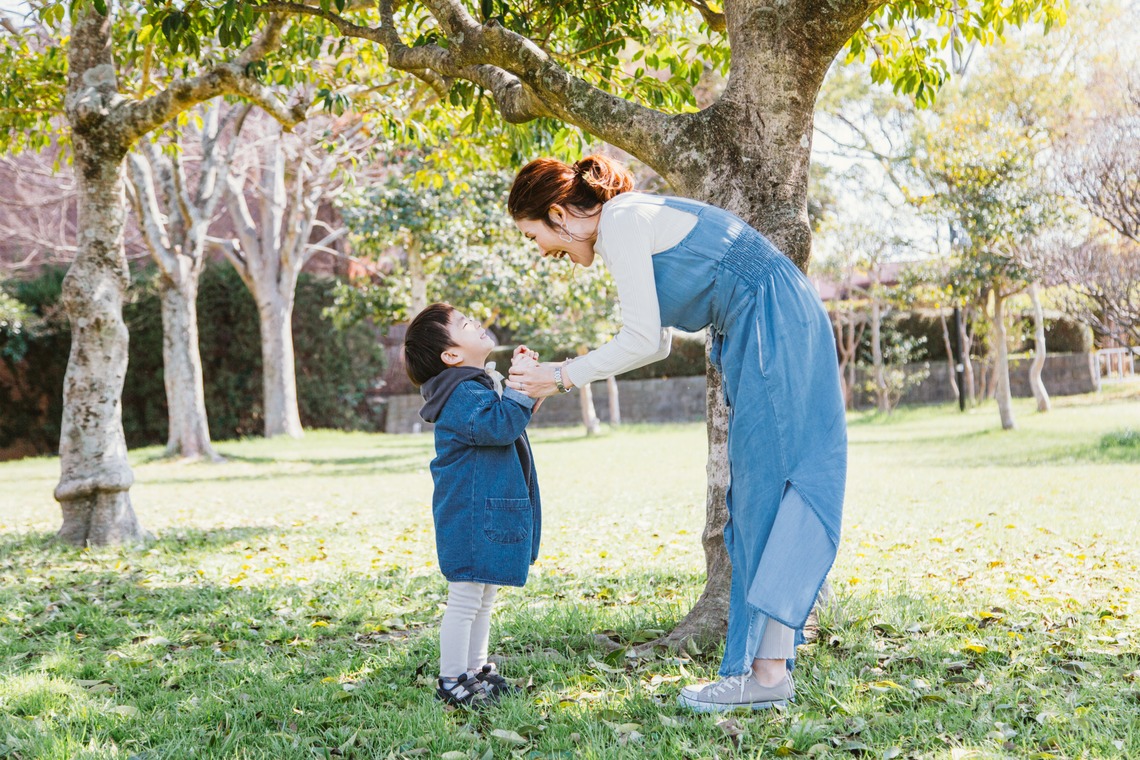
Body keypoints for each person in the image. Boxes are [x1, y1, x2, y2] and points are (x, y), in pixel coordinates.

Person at [505, 156, 847, 712]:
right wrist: (557, 378)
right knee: (764, 492)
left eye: (535, 236)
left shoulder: (620, 222)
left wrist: (559, 376)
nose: (544, 252)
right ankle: (769, 669)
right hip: (768, 320)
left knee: (769, 491)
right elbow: (658, 340)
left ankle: (763, 676)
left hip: (772, 320)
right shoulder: (626, 222)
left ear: (559, 213)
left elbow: (641, 340)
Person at [403, 302, 542, 708]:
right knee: (466, 597)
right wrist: (516, 388)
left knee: (483, 594)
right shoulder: (461, 392)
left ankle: (476, 671)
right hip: (468, 512)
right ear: (452, 356)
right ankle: (451, 680)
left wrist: (522, 381)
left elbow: (509, 417)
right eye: (465, 324)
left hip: (481, 507)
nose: (477, 323)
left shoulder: (473, 385)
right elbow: (500, 425)